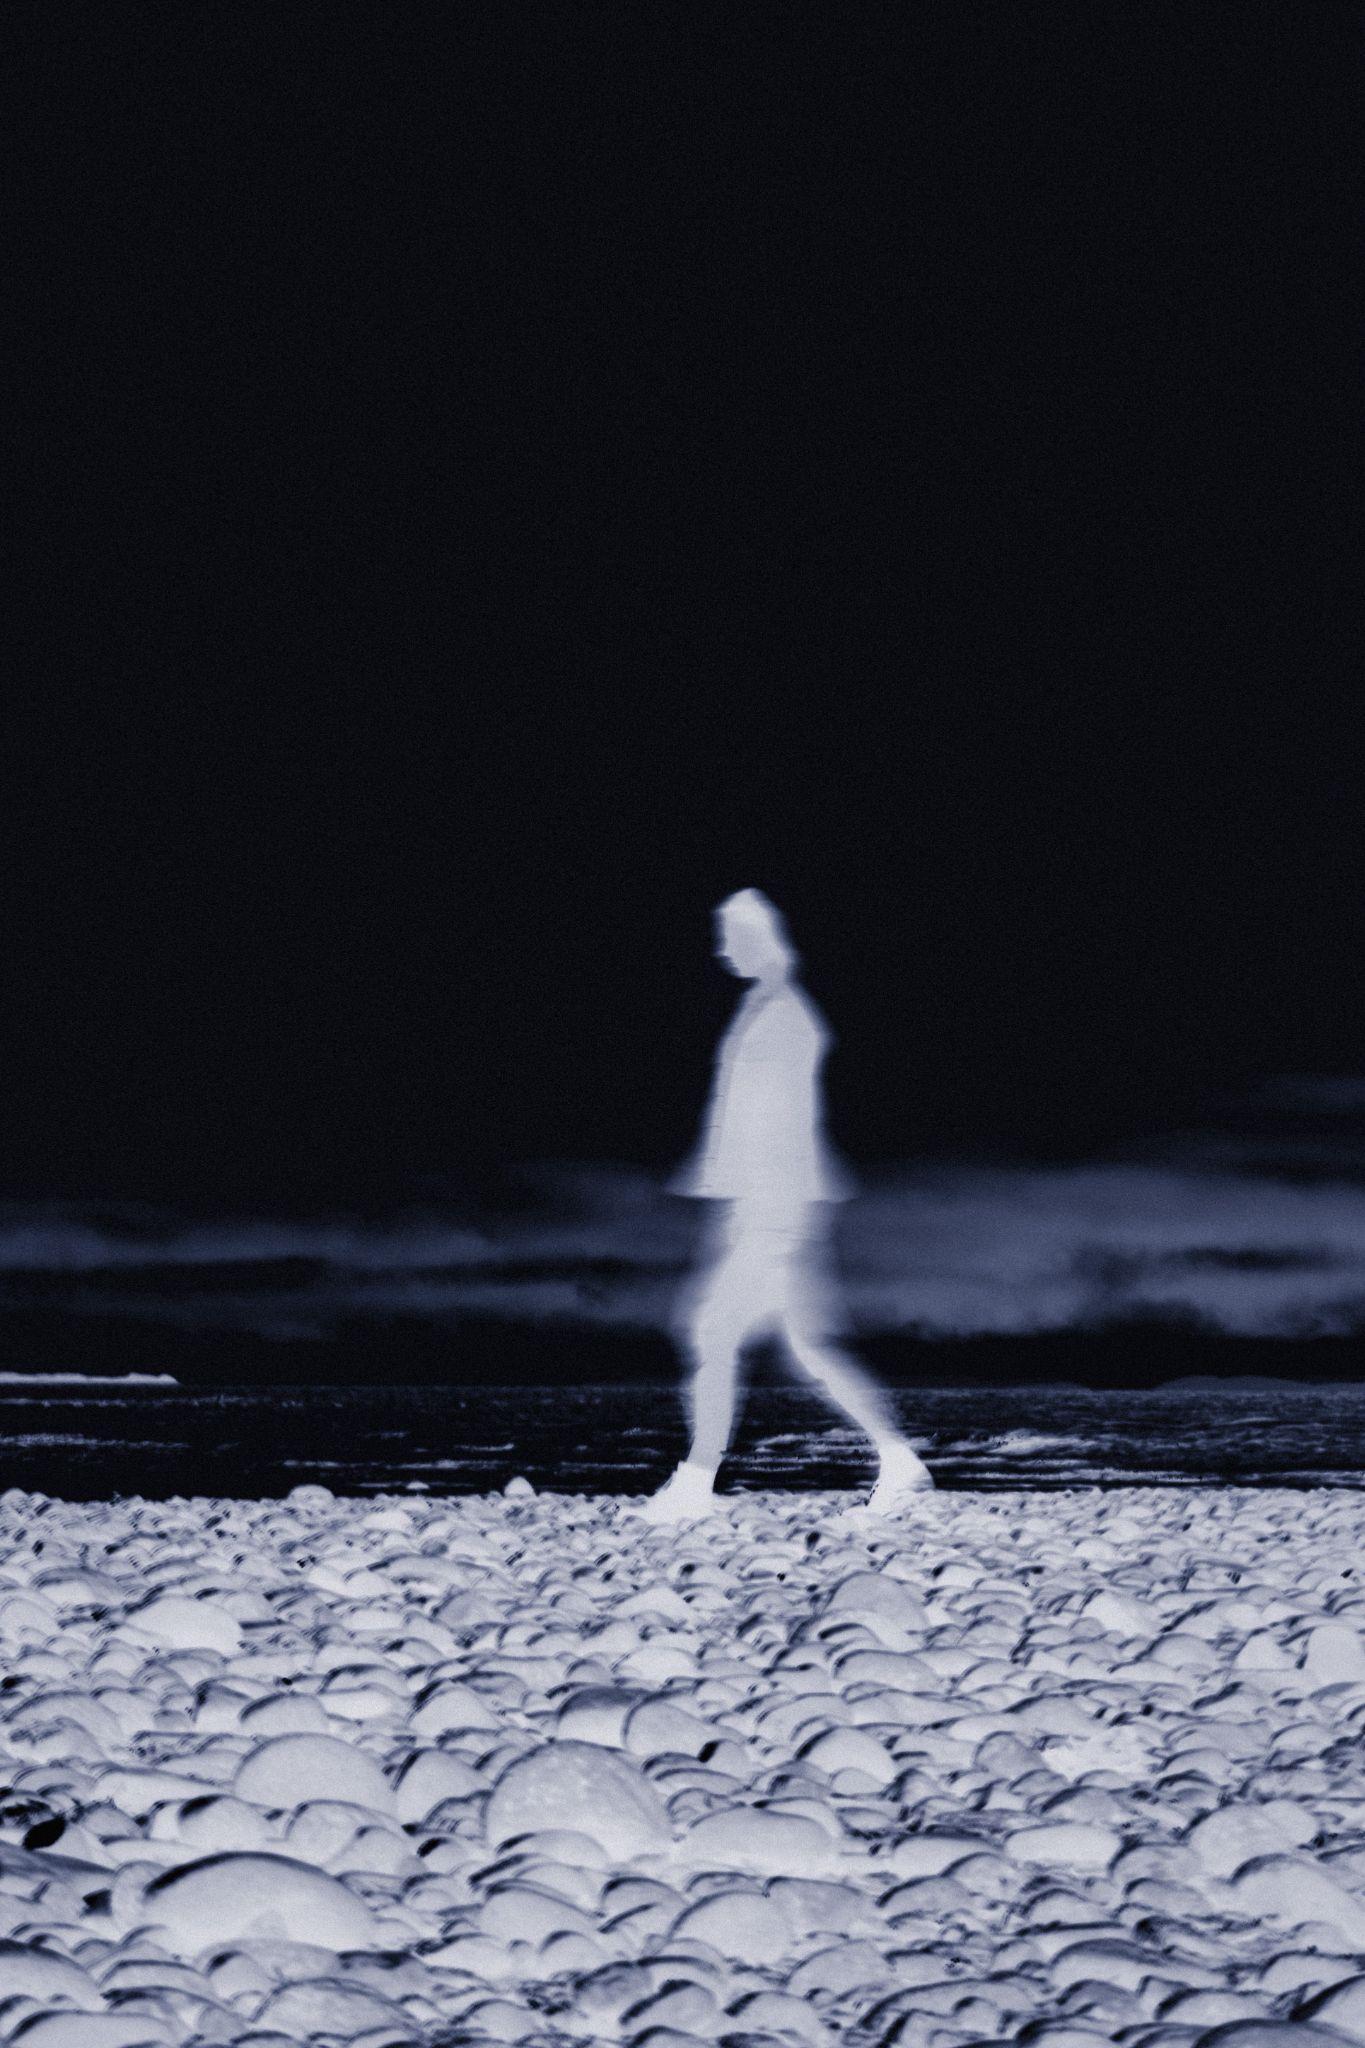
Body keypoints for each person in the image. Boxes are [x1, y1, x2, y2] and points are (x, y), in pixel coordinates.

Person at [630, 887, 933, 1523]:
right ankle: (899, 1460)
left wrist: (761, 1214)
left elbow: (779, 1121)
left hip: (771, 1206)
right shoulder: (771, 1007)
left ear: (757, 937)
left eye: (729, 936)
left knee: (712, 1333)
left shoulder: (781, 1015)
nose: (721, 950)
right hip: (777, 1203)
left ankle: (695, 1482)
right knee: (807, 1348)